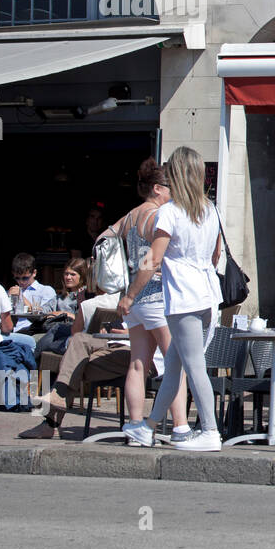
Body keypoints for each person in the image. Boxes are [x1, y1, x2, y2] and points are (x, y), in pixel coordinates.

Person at [121, 146, 224, 452]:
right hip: (206, 294)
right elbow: (217, 254)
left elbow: (152, 260)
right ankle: (148, 427)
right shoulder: (211, 210)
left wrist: (130, 295)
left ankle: (210, 431)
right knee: (175, 365)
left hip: (183, 296)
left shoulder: (170, 212)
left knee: (193, 367)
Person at [103, 159, 192, 440]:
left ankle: (135, 425)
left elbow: (106, 236)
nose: (173, 193)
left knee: (138, 363)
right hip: (157, 295)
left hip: (135, 300)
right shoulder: (159, 216)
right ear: (157, 189)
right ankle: (180, 427)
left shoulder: (130, 216)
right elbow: (155, 259)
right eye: (170, 188)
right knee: (175, 364)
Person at [20, 325, 134, 440]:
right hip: (115, 343)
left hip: (138, 350)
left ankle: (51, 422)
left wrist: (133, 330)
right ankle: (56, 402)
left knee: (75, 362)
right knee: (78, 340)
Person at [32, 258, 91, 359]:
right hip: (52, 329)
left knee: (36, 340)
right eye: (66, 274)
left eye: (73, 274)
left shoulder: (86, 295)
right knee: (30, 337)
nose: (68, 277)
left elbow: (86, 317)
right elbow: (41, 311)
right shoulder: (61, 297)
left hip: (73, 331)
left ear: (82, 277)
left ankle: (31, 366)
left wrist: (65, 314)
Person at [7, 253, 56, 338]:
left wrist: (21, 297)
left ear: (34, 273)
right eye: (17, 278)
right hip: (11, 332)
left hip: (33, 332)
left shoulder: (46, 290)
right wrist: (6, 297)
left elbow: (43, 315)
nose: (21, 282)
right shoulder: (12, 291)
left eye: (25, 278)